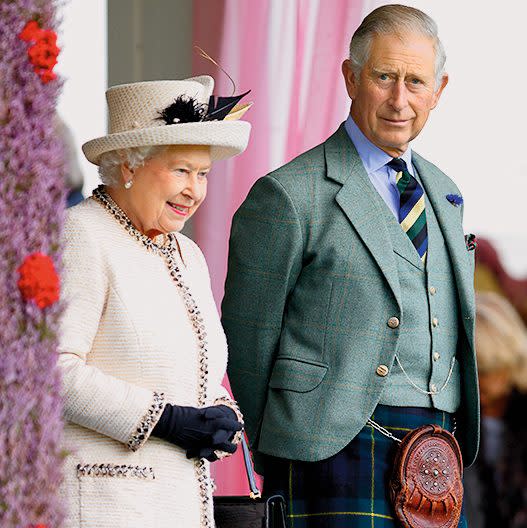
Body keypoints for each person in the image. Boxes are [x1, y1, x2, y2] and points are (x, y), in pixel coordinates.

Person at [222, 5, 478, 527]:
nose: (399, 100)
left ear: (440, 90)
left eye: (415, 82)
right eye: (384, 77)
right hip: (326, 452)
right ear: (350, 77)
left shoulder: (447, 192)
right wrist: (291, 446)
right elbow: (246, 343)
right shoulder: (288, 195)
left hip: (438, 457)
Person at [58, 76, 251, 527]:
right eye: (181, 170)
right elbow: (52, 371)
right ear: (128, 165)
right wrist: (163, 420)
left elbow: (191, 368)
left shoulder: (187, 254)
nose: (195, 191)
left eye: (202, 174)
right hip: (106, 506)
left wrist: (221, 412)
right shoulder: (80, 235)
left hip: (181, 507)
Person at [464, 292, 527, 528]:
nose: (476, 381)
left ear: (509, 361)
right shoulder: (454, 422)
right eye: (469, 370)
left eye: (485, 369)